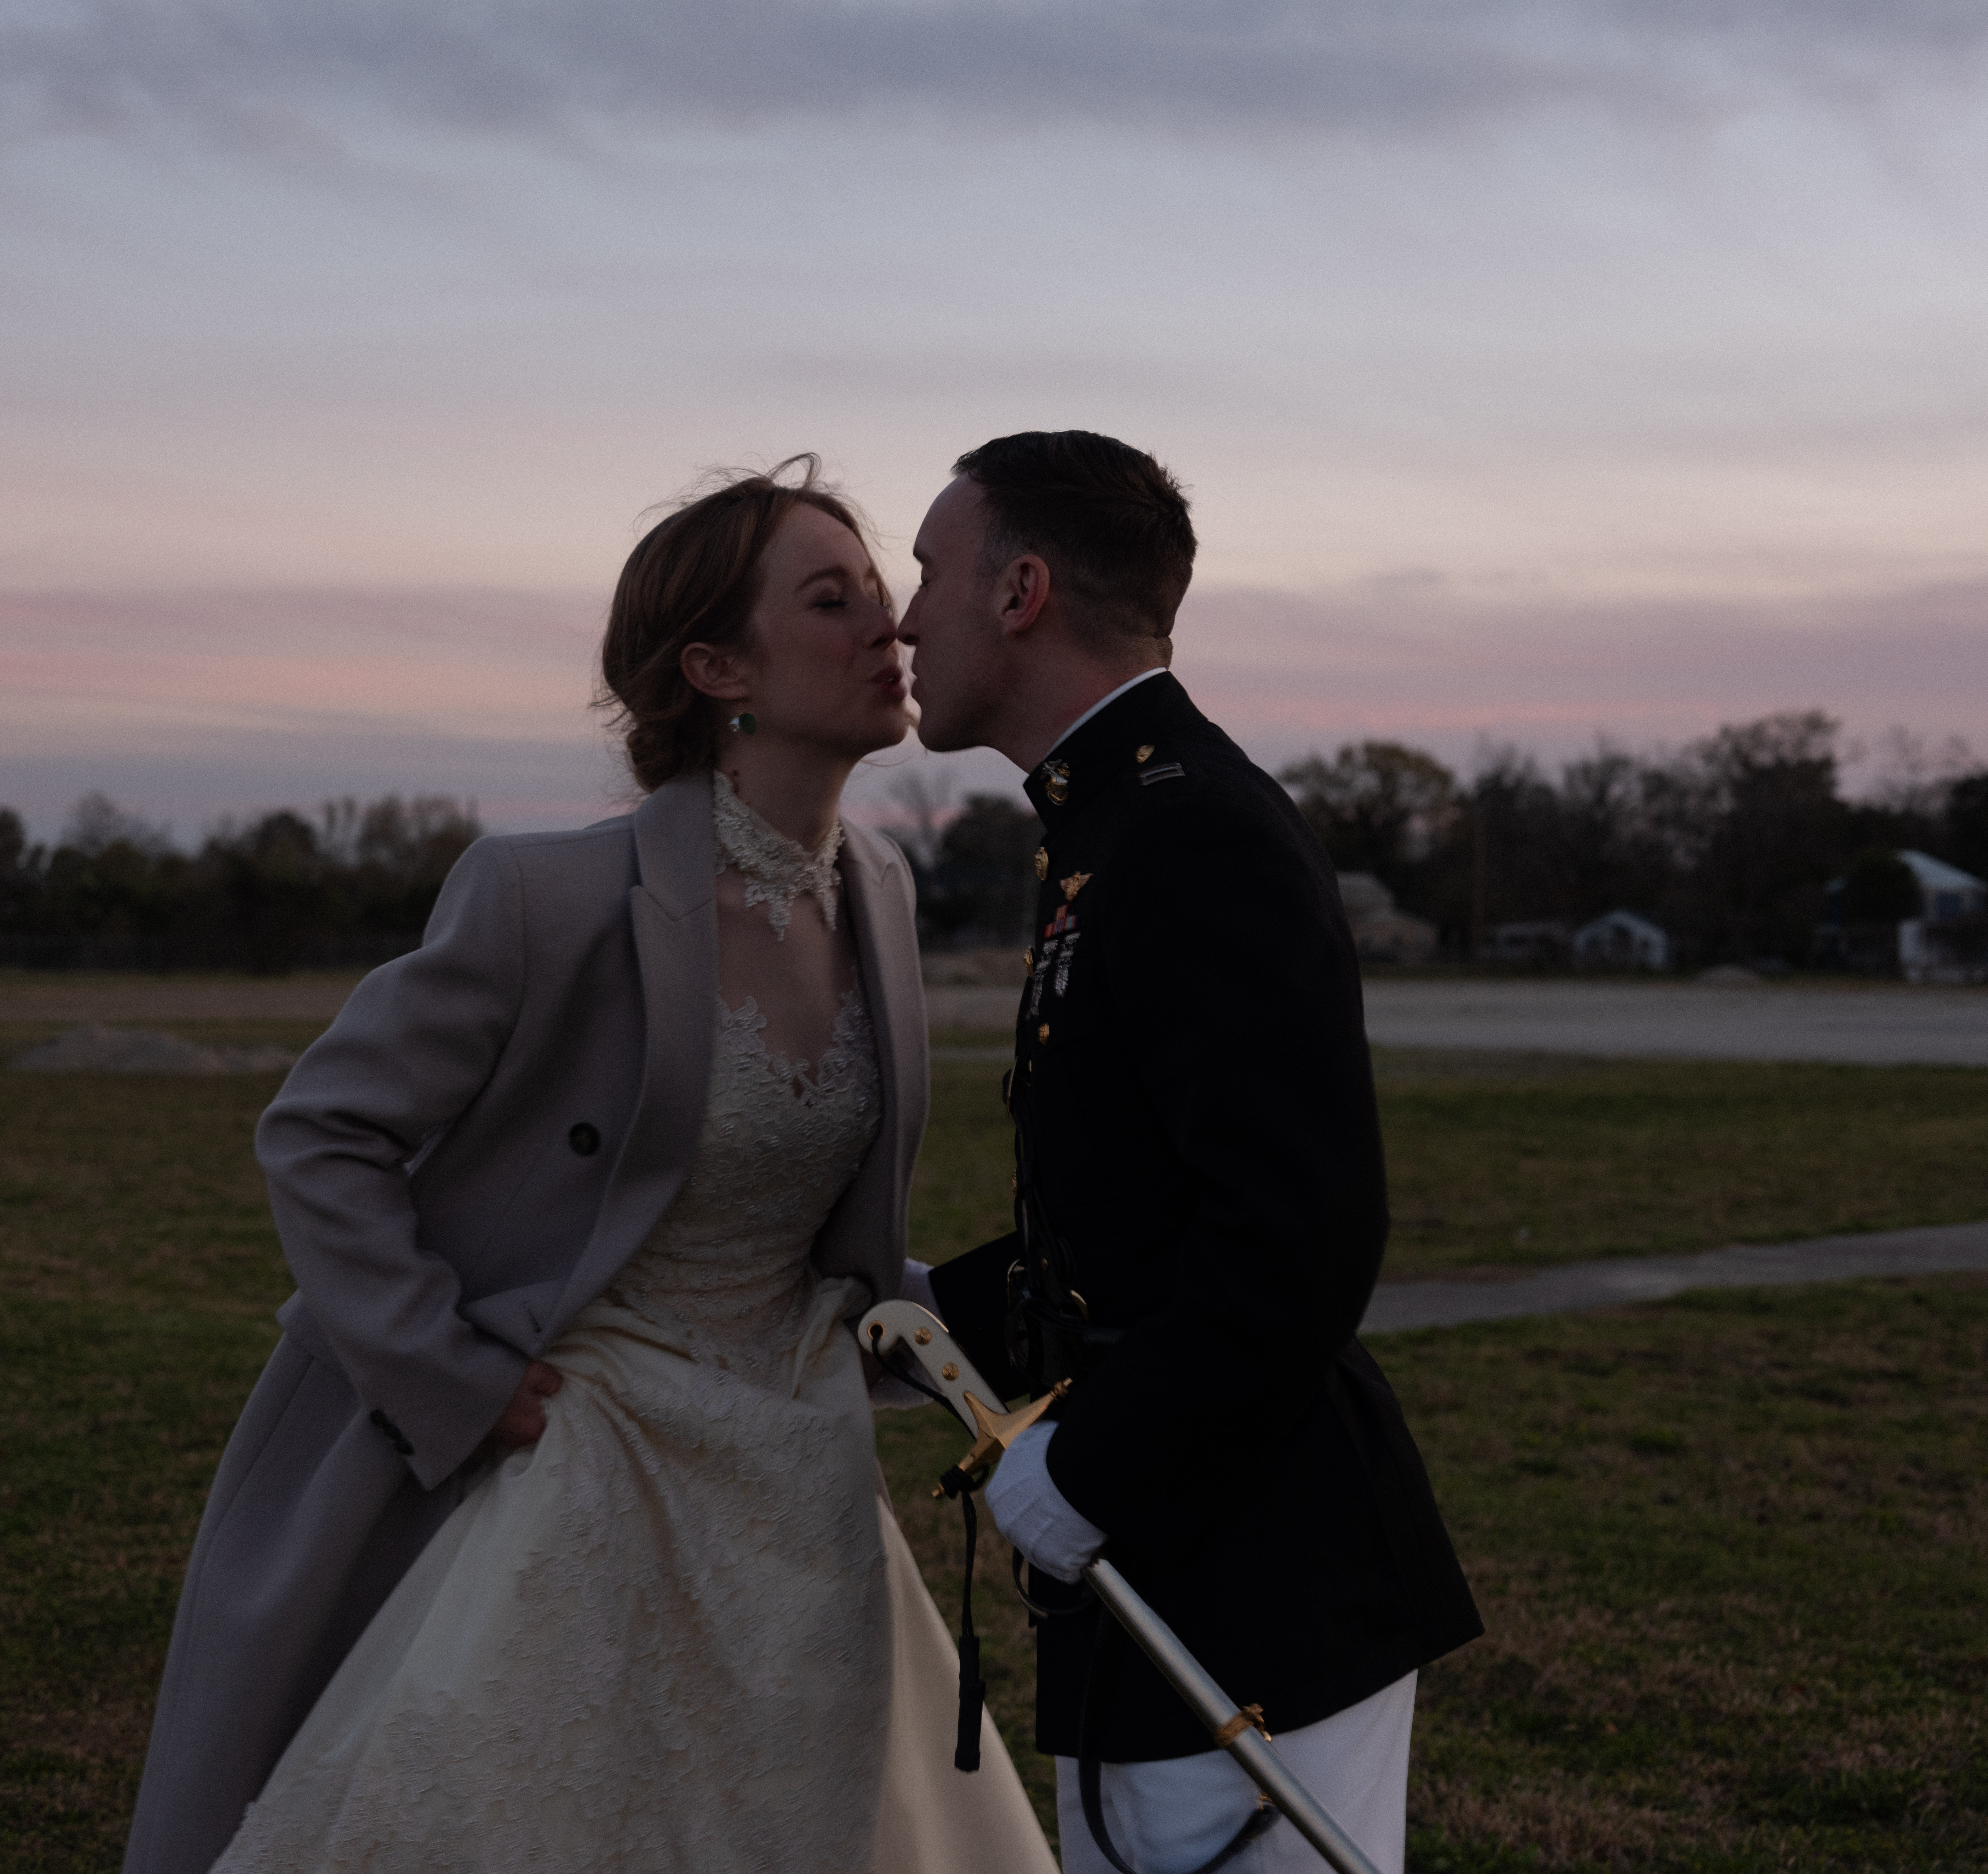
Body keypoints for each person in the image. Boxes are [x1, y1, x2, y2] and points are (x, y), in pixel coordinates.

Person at [124, 459, 1056, 1874]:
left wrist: (994, 1325)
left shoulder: (883, 891)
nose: (893, 628)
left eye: (884, 592)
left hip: (799, 1477)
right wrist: (452, 1373)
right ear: (715, 667)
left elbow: (822, 1242)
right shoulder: (541, 896)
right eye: (833, 598)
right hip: (579, 1460)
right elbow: (319, 1133)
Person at [899, 431, 1483, 1874]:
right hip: (1179, 1544)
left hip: (1258, 1570)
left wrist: (1092, 1458)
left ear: (1022, 588)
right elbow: (1142, 1225)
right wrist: (934, 1309)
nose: (907, 616)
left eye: (927, 573)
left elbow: (1299, 1241)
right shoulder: (1110, 819)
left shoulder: (1189, 831)